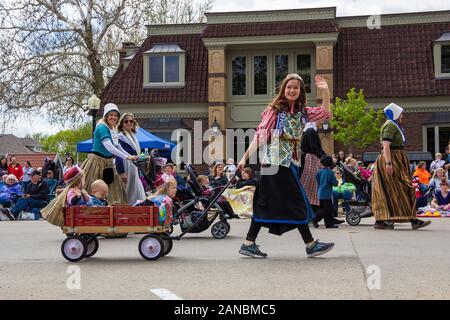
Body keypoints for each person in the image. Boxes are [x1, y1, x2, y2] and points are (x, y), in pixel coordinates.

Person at [237, 73, 335, 259]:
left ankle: (248, 243)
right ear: (283, 89)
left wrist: (326, 92)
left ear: (300, 91)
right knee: (296, 201)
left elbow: (325, 113)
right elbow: (261, 135)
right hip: (275, 163)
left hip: (289, 163)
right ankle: (310, 244)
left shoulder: (302, 112)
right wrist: (244, 158)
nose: (292, 90)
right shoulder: (275, 111)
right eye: (289, 87)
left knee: (267, 202)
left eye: (296, 88)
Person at [371, 103, 431, 230]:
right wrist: (389, 163)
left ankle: (383, 220)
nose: (402, 116)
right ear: (395, 114)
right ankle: (411, 220)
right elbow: (386, 145)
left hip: (396, 158)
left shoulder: (393, 125)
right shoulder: (390, 125)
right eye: (401, 113)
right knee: (405, 187)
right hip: (392, 158)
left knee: (392, 189)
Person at [115, 113, 146, 205]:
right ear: (122, 124)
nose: (129, 123)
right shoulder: (120, 137)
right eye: (126, 121)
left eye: (131, 121)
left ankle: (136, 208)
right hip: (125, 165)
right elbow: (118, 154)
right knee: (127, 190)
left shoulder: (133, 136)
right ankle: (127, 210)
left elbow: (136, 154)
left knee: (135, 190)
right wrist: (121, 172)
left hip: (133, 166)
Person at [300, 123, 326, 212]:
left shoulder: (304, 153)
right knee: (314, 190)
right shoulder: (312, 133)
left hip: (308, 166)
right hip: (312, 165)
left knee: (307, 189)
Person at [312, 156, 342, 228]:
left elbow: (317, 180)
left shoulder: (319, 172)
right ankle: (315, 219)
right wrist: (337, 180)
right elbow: (334, 183)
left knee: (329, 209)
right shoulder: (330, 173)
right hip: (327, 194)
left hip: (320, 193)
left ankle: (329, 223)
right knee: (327, 209)